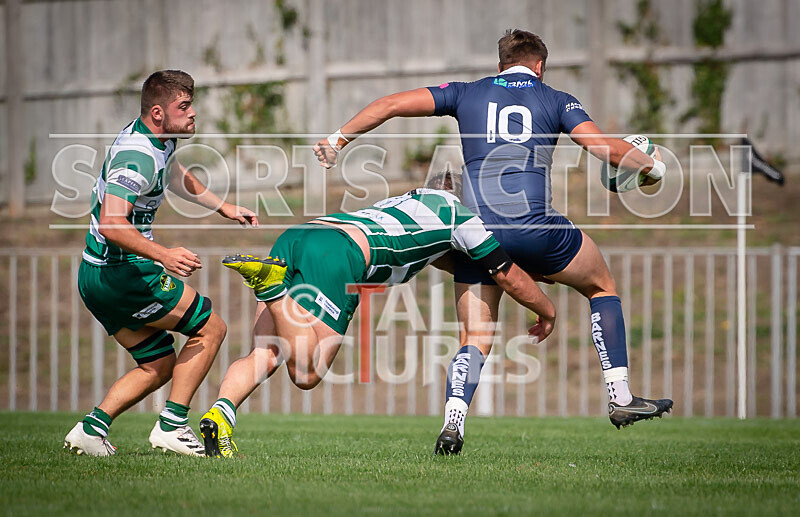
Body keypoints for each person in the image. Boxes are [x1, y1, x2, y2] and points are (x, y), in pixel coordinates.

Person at [313, 29, 673, 455]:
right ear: (539, 65)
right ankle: (620, 396)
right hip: (536, 227)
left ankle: (453, 424)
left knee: (474, 335)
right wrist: (653, 167)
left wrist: (338, 140)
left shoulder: (466, 93)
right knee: (601, 286)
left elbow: (391, 104)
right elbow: (602, 148)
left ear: (501, 63)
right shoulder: (557, 99)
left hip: (475, 231)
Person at [198, 172, 556, 458]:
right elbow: (504, 273)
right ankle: (272, 288)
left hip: (300, 235)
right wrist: (546, 308)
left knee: (266, 352)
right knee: (307, 372)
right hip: (340, 255)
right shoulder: (461, 217)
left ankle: (219, 414)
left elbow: (439, 256)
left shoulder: (408, 201)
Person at [63, 70, 258, 457]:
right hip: (121, 272)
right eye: (183, 106)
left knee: (159, 363)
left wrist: (223, 207)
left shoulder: (157, 140)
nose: (192, 113)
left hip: (97, 273)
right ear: (157, 112)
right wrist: (164, 254)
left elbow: (174, 174)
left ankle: (91, 430)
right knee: (211, 328)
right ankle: (172, 426)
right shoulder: (136, 156)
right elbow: (112, 223)